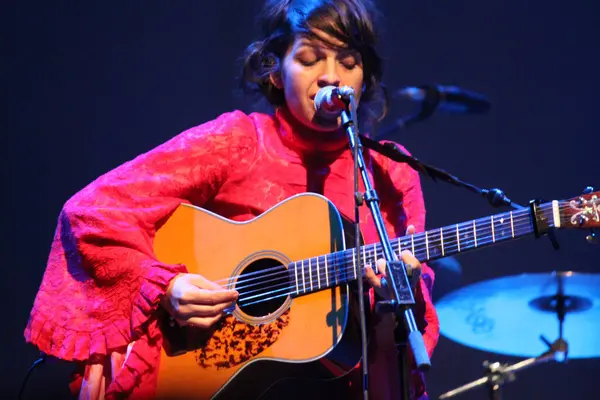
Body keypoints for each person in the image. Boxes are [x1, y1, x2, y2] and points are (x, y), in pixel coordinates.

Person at [24, 0, 439, 398]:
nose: (332, 77)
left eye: (349, 63)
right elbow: (93, 212)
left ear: (364, 79)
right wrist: (169, 285)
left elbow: (394, 353)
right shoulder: (239, 141)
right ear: (275, 72)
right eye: (311, 59)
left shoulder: (390, 171)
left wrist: (394, 295)